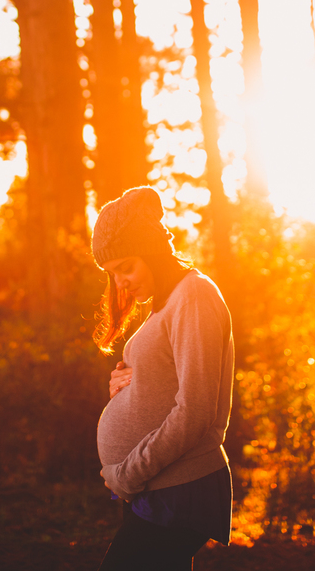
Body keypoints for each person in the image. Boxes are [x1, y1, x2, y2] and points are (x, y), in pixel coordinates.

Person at [90, 186, 235, 571]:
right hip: (159, 485)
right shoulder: (167, 302)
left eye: (126, 267)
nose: (120, 282)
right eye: (112, 273)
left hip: (180, 488)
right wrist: (126, 387)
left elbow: (195, 410)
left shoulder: (194, 296)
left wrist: (126, 474)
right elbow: (169, 380)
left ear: (152, 251)